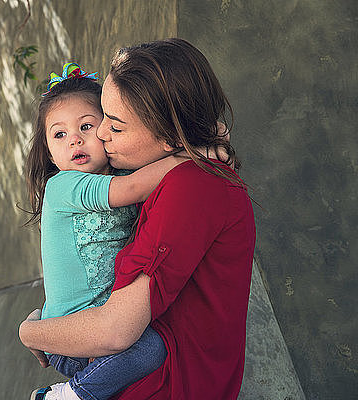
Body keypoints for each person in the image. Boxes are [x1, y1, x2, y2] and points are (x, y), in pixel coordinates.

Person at [19, 39, 256, 400]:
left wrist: (31, 332)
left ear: (169, 137)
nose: (98, 136)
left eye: (112, 126)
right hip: (129, 362)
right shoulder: (154, 180)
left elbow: (115, 332)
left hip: (160, 382)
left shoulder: (188, 187)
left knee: (147, 347)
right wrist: (202, 146)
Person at [23, 62, 183, 400]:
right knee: (150, 349)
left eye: (86, 126)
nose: (75, 139)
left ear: (107, 130)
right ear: (50, 152)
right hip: (71, 336)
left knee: (154, 343)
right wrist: (195, 156)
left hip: (102, 324)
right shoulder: (63, 186)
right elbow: (136, 188)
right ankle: (68, 394)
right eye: (59, 134)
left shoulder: (119, 177)